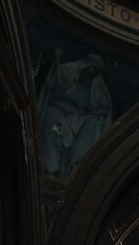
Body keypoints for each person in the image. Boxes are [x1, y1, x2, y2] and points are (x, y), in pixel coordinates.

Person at [38, 48, 112, 179]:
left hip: (71, 122)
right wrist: (56, 60)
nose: (90, 73)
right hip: (56, 115)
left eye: (94, 71)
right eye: (89, 68)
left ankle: (67, 173)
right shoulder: (68, 75)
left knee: (76, 139)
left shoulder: (94, 92)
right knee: (52, 132)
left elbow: (102, 108)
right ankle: (50, 170)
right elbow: (54, 80)